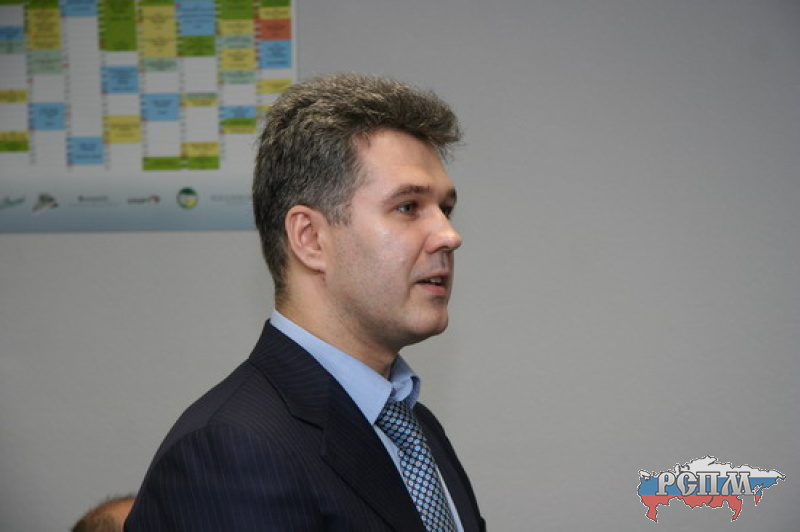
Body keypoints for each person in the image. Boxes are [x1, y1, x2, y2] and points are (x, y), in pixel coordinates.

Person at [125, 73, 485, 531]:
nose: (449, 236)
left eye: (445, 209)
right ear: (310, 238)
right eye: (408, 207)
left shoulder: (413, 426)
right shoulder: (232, 449)